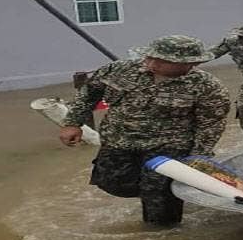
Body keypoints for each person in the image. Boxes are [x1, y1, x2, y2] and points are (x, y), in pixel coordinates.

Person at [59, 35, 230, 226]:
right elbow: (89, 94)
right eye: (150, 57)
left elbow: (211, 124)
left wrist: (198, 157)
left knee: (159, 198)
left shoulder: (206, 86)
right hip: (118, 140)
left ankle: (163, 236)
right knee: (110, 181)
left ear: (190, 63)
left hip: (169, 146)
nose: (150, 63)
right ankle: (157, 192)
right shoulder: (119, 70)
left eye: (161, 60)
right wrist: (72, 123)